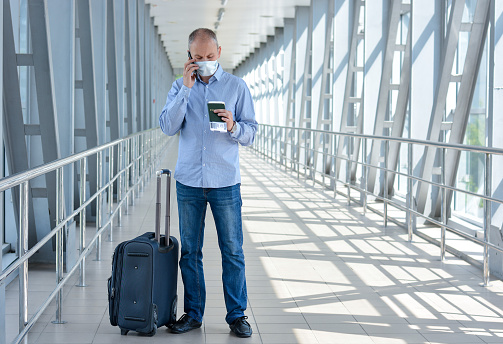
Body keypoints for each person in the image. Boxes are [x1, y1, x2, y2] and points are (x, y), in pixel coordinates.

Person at [159, 28, 257, 338]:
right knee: (191, 252)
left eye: (210, 57)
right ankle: (194, 313)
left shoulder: (236, 87)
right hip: (189, 181)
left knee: (232, 251)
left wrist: (233, 126)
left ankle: (237, 315)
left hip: (225, 181)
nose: (205, 62)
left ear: (219, 53)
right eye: (198, 58)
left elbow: (252, 133)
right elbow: (167, 126)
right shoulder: (178, 87)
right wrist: (186, 89)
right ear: (189, 58)